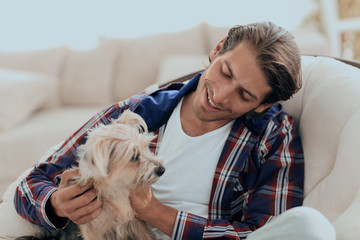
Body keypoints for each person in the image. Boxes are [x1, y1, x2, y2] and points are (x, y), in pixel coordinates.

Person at [14, 22, 335, 240]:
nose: (220, 96)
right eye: (225, 72)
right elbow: (32, 182)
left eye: (244, 95)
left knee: (308, 227)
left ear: (263, 105)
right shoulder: (136, 113)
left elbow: (264, 232)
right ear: (218, 49)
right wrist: (56, 202)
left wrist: (154, 212)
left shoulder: (273, 137)